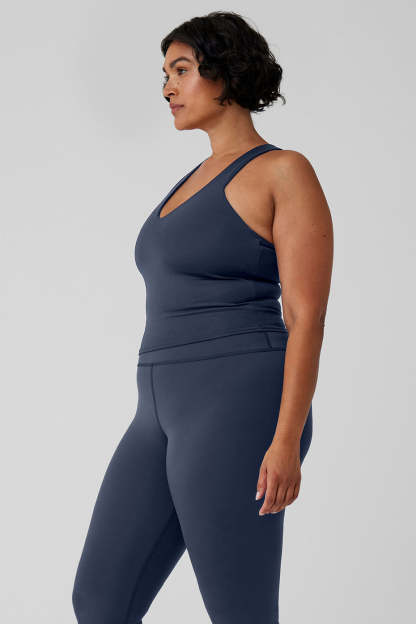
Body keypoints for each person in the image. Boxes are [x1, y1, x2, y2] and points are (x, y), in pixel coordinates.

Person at [72, 10, 333, 624]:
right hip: (156, 411)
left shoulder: (283, 170)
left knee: (239, 610)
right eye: (165, 73)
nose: (168, 87)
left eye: (182, 70)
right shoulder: (190, 181)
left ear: (226, 72)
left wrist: (286, 439)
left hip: (239, 405)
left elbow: (306, 314)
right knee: (99, 601)